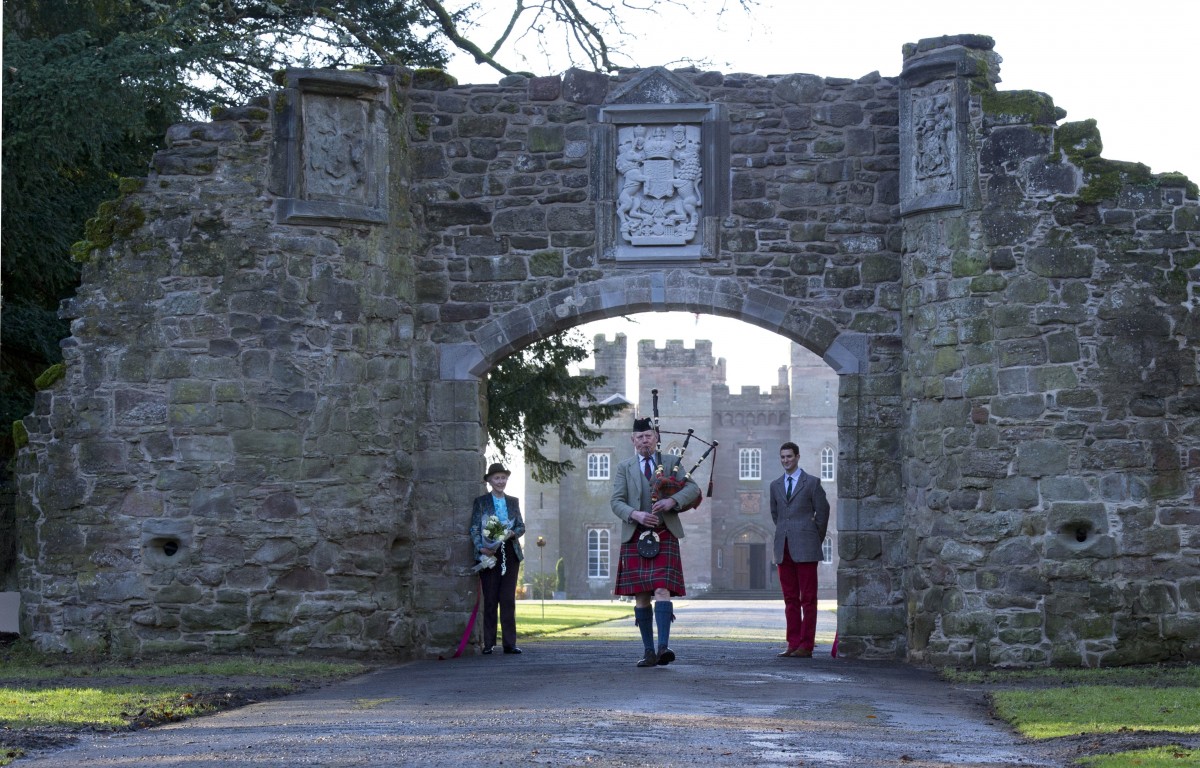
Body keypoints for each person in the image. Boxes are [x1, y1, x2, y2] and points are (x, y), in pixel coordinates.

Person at [610, 417, 701, 668]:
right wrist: (635, 513)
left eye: (649, 436)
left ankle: (663, 648)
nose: (645, 440)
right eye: (640, 437)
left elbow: (693, 489)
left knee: (662, 590)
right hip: (635, 533)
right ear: (633, 440)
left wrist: (673, 501)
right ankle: (648, 651)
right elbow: (616, 501)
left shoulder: (671, 462)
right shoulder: (624, 467)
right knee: (641, 595)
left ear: (656, 437)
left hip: (664, 532)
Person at [769, 441, 830, 658]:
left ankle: (806, 645)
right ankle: (793, 643)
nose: (786, 460)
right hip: (783, 548)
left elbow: (823, 513)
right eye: (783, 457)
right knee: (790, 599)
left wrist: (814, 538)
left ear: (797, 457)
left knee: (808, 599)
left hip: (806, 547)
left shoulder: (812, 483)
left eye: (789, 456)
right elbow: (776, 515)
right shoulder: (775, 485)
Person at [470, 462, 526, 655]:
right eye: (496, 478)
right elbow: (475, 528)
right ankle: (489, 643)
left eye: (503, 478)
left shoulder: (513, 501)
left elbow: (521, 526)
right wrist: (482, 548)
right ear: (489, 481)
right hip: (489, 554)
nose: (500, 481)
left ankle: (510, 643)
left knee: (508, 599)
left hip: (510, 552)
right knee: (491, 599)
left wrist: (511, 532)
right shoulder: (481, 502)